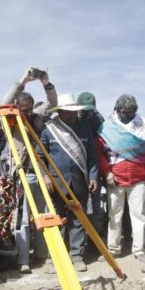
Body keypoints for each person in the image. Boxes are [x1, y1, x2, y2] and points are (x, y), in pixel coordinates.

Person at [0, 67, 58, 273]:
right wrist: (23, 80)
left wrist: (45, 82)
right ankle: (23, 259)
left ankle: (42, 255)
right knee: (22, 218)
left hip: (39, 173)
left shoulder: (37, 118)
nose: (27, 112)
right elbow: (5, 103)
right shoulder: (10, 120)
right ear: (17, 107)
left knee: (43, 215)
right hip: (20, 174)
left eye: (30, 108)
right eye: (24, 108)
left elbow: (52, 103)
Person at [96, 94, 145, 264]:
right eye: (125, 112)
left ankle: (139, 250)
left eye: (131, 112)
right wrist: (106, 172)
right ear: (117, 110)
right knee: (114, 216)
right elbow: (100, 153)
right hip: (115, 180)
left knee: (138, 216)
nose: (128, 115)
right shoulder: (107, 128)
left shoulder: (144, 128)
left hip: (138, 180)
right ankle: (113, 250)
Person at [38, 93, 98, 272]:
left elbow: (93, 157)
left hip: (80, 182)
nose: (72, 115)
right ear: (60, 112)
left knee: (78, 220)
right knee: (57, 221)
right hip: (55, 184)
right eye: (68, 112)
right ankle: (57, 257)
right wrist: (45, 175)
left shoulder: (85, 128)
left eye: (74, 112)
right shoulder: (49, 130)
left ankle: (77, 256)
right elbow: (39, 156)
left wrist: (93, 176)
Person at [77, 92, 107, 238]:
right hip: (77, 166)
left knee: (96, 205)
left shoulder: (98, 119)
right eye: (84, 110)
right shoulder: (72, 119)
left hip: (94, 164)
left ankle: (96, 238)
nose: (87, 113)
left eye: (90, 109)